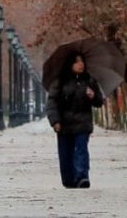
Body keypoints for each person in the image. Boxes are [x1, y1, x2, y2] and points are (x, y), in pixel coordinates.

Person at [47, 53, 104, 189]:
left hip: (83, 122)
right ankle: (69, 179)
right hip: (64, 123)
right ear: (70, 65)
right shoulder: (60, 81)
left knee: (81, 149)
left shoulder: (89, 80)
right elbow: (52, 102)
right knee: (65, 153)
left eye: (82, 61)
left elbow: (99, 102)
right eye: (77, 62)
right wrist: (55, 121)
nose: (80, 64)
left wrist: (93, 95)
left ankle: (82, 177)